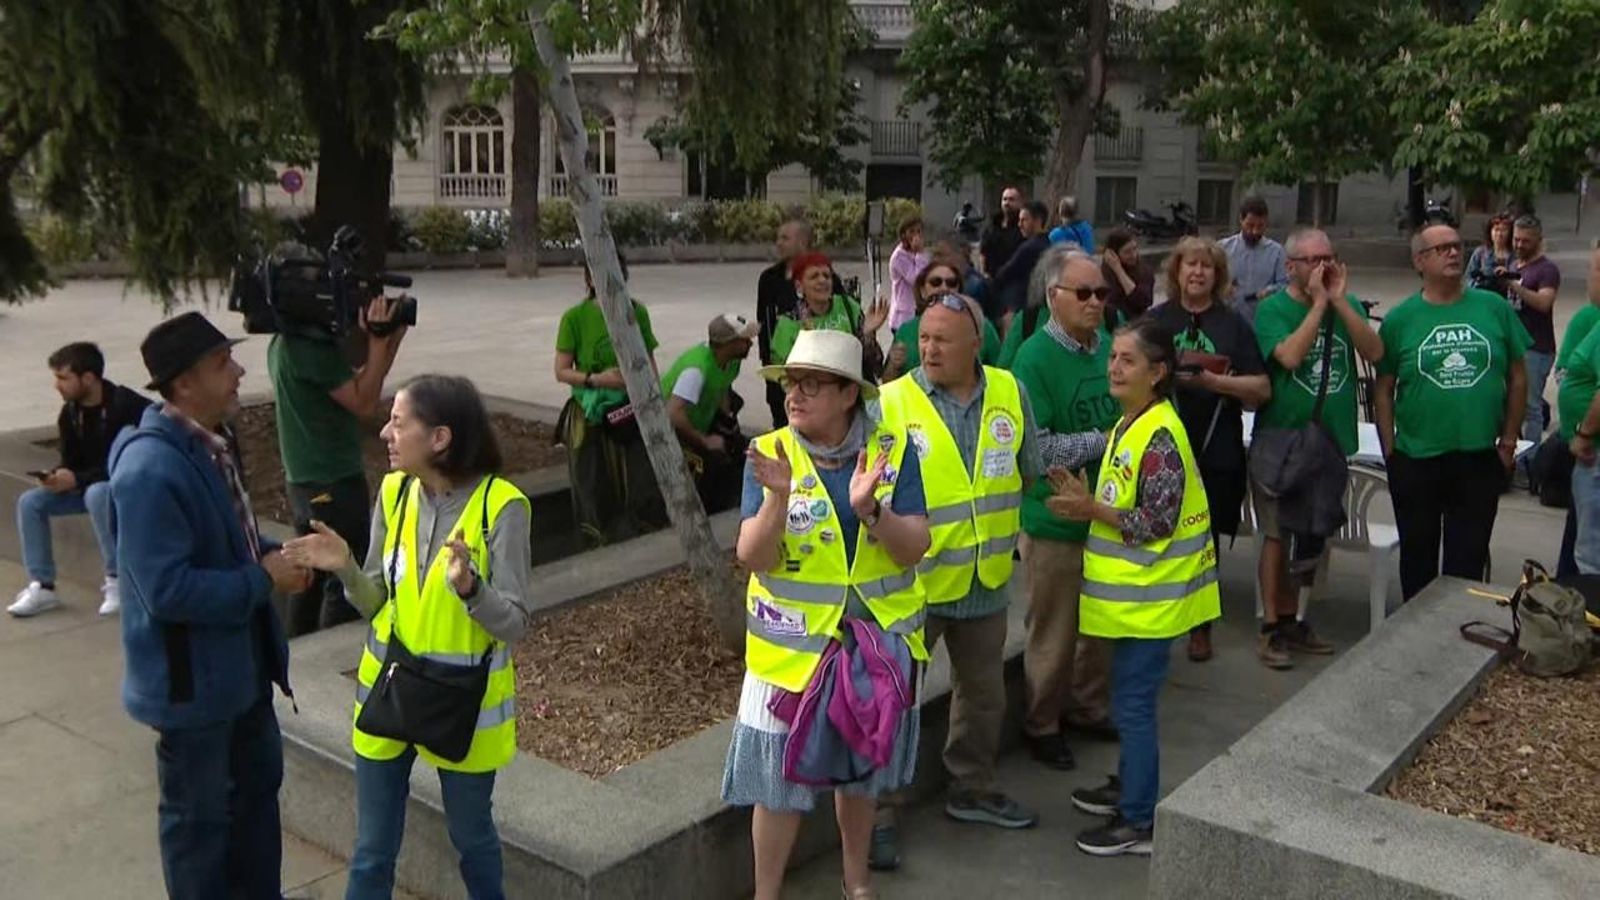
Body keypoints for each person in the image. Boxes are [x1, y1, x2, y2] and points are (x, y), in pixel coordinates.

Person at [283, 374, 532, 900]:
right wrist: (347, 567)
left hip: (464, 708)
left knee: (472, 841)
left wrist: (471, 588)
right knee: (373, 850)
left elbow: (515, 623)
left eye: (399, 423)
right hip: (389, 694)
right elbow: (376, 601)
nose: (385, 434)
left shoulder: (501, 506)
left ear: (439, 438)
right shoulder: (395, 492)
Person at [724, 329, 930, 900]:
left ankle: (856, 883)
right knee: (778, 783)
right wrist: (777, 499)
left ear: (849, 395)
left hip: (871, 646)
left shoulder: (892, 451)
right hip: (790, 652)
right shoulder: (769, 454)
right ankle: (766, 895)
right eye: (792, 383)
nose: (796, 395)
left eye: (813, 385)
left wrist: (871, 512)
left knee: (860, 776)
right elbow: (753, 557)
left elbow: (914, 546)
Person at [109, 312, 309, 898]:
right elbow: (167, 592)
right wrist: (262, 578)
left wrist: (283, 554)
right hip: (192, 693)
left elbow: (231, 540)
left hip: (240, 675)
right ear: (183, 384)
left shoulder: (211, 443)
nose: (240, 371)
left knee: (254, 811)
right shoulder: (149, 470)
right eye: (223, 363)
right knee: (198, 831)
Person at [870, 294, 1044, 869]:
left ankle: (971, 789)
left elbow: (1030, 467)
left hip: (986, 581)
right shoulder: (892, 402)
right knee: (896, 703)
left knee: (985, 696)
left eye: (943, 338)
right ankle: (880, 815)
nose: (929, 348)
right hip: (913, 585)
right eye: (924, 337)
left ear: (977, 344)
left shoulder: (1008, 392)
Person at [1044, 317, 1222, 858]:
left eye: (1128, 360)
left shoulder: (1159, 433)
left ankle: (1138, 821)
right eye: (1113, 357)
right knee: (1129, 704)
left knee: (1134, 708)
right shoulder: (1132, 422)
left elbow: (1157, 520)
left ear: (1158, 372)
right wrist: (1089, 499)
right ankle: (1130, 788)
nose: (1114, 367)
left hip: (1154, 601)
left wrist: (1091, 508)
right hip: (1136, 601)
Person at [1375, 225, 1531, 601]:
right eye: (1441, 248)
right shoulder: (1401, 319)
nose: (1453, 254)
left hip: (1477, 458)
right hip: (1416, 459)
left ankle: (1456, 640)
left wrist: (1508, 441)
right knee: (1418, 563)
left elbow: (1518, 376)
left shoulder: (1492, 307)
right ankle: (1416, 641)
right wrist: (1390, 451)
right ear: (1419, 261)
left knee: (1467, 565)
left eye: (1457, 246)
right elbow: (1383, 388)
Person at [1008, 247, 1120, 770]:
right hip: (1054, 520)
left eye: (1101, 292)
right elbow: (1038, 450)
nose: (1096, 302)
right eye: (1085, 293)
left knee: (1098, 629)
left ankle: (1087, 708)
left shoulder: (1108, 347)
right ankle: (1042, 722)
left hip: (1104, 515)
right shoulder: (1033, 359)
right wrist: (1108, 439)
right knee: (1053, 631)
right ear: (1054, 297)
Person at [1250, 230, 1384, 667]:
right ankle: (1271, 625)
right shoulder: (1273, 309)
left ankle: (1296, 618)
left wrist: (1341, 302)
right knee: (1276, 533)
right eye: (1313, 260)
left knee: (1314, 531)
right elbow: (1288, 357)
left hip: (1330, 440)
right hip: (1283, 438)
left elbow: (1374, 350)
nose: (1324, 266)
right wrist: (1320, 305)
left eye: (1330, 257)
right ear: (1291, 267)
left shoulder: (1349, 304)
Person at [1148, 237, 1270, 663]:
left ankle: (1200, 626)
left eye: (1206, 266)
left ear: (1217, 276)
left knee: (1205, 536)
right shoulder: (1157, 321)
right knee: (1156, 531)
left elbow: (1260, 388)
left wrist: (1215, 383)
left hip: (1217, 443)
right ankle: (1157, 619)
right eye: (1190, 265)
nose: (1197, 272)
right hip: (1164, 444)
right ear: (1176, 272)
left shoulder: (1233, 325)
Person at [268, 272, 408, 637]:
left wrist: (389, 338)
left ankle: (298, 649)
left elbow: (361, 384)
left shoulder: (287, 344)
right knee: (341, 574)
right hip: (332, 479)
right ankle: (335, 647)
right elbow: (364, 402)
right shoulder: (312, 351)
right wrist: (377, 342)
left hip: (304, 479)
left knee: (310, 575)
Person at [9, 342, 149, 618]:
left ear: (88, 378)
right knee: (31, 502)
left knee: (97, 493)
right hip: (88, 487)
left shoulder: (127, 406)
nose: (56, 385)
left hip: (128, 487)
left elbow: (136, 460)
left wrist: (78, 478)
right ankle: (43, 585)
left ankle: (117, 580)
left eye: (63, 378)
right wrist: (58, 477)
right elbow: (72, 462)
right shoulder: (71, 413)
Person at [553, 255, 666, 546]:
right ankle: (598, 540)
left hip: (632, 408)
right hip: (590, 412)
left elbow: (649, 365)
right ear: (589, 280)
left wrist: (650, 397)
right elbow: (562, 371)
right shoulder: (574, 318)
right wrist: (596, 379)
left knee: (640, 478)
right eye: (600, 275)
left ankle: (640, 534)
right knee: (593, 481)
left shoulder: (635, 312)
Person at [662, 313, 759, 512]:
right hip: (673, 434)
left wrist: (727, 420)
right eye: (744, 340)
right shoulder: (696, 370)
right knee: (716, 465)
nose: (750, 343)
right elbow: (673, 412)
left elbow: (722, 385)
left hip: (702, 422)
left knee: (747, 452)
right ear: (727, 344)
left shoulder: (731, 360)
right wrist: (704, 441)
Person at [1554, 241, 1600, 573]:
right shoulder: (1591, 319)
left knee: (1591, 557)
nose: (1589, 278)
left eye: (1594, 269)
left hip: (1594, 455)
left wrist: (1584, 434)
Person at [770, 252, 888, 380]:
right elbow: (782, 375)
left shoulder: (848, 306)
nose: (822, 280)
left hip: (851, 392)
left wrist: (867, 333)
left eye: (827, 276)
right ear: (799, 286)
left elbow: (874, 364)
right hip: (810, 394)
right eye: (814, 276)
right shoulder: (788, 323)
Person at [1506, 215, 1561, 481]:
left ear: (1538, 239)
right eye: (1516, 239)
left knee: (1531, 408)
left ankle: (1533, 467)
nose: (1519, 244)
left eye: (1525, 241)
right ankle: (1515, 458)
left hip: (1536, 348)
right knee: (1511, 403)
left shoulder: (1546, 269)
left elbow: (1543, 302)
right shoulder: (1514, 264)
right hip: (1514, 346)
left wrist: (1515, 286)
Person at [881, 261, 1003, 382]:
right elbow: (886, 384)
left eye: (951, 283)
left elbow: (1001, 374)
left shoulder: (981, 327)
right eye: (936, 282)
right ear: (923, 291)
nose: (944, 288)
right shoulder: (906, 331)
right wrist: (894, 366)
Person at [1218, 196, 1288, 322]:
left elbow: (1285, 284)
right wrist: (1222, 287)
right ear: (1241, 219)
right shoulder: (1223, 248)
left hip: (1263, 319)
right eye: (1250, 225)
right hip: (1228, 318)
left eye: (1260, 226)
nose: (1254, 231)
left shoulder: (1277, 252)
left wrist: (1271, 290)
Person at [992, 200, 1054, 331]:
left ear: (1037, 221)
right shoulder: (1049, 245)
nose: (1019, 224)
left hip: (1019, 308)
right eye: (1019, 220)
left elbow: (1003, 274)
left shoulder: (1029, 248)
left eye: (1024, 220)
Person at [1101, 227, 1154, 323]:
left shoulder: (1144, 271)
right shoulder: (1104, 274)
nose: (1133, 255)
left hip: (1136, 323)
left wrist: (1119, 271)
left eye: (1134, 249)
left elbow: (1144, 301)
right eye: (1127, 252)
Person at [887, 216, 929, 331]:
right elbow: (916, 279)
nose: (916, 235)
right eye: (911, 231)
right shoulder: (899, 257)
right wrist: (920, 253)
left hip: (917, 311)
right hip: (903, 317)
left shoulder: (914, 253)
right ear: (903, 234)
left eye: (919, 231)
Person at [978, 186, 1025, 278]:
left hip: (1015, 279)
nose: (1007, 203)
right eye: (1005, 199)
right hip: (992, 278)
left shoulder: (1022, 227)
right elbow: (983, 251)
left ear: (1020, 202)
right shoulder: (992, 225)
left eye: (1011, 200)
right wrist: (984, 273)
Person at [1465, 213, 1515, 293]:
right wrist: (1478, 285)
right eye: (1496, 229)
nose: (1499, 234)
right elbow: (1468, 278)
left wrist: (1508, 275)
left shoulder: (1515, 255)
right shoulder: (1480, 253)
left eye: (1504, 230)